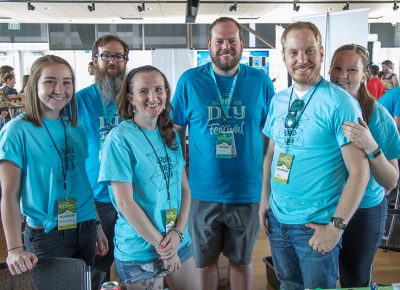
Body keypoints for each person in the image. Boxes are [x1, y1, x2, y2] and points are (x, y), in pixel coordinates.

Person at [259, 22, 370, 289]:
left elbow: (360, 171)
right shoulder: (278, 100)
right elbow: (272, 154)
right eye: (294, 52)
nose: (302, 60)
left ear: (321, 53)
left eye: (309, 51)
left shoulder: (340, 103)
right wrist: (264, 201)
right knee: (287, 284)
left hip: (315, 225)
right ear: (284, 56)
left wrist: (336, 226)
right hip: (278, 219)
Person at [172, 17, 275, 290]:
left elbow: (270, 137)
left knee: (241, 262)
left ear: (242, 44)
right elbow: (173, 132)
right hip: (201, 193)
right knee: (204, 263)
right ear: (209, 44)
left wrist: (264, 181)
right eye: (219, 41)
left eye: (232, 41)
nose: (226, 47)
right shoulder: (190, 81)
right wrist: (179, 178)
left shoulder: (260, 82)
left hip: (247, 192)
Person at [0, 55, 108, 278]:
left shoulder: (75, 127)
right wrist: (14, 248)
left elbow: (81, 180)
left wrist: (96, 224)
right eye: (50, 81)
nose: (59, 89)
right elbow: (9, 195)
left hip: (85, 226)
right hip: (47, 235)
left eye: (67, 82)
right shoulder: (16, 131)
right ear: (35, 85)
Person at [98, 65, 199, 290]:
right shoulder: (119, 139)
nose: (152, 97)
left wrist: (178, 232)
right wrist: (163, 247)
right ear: (130, 98)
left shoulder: (170, 133)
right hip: (140, 250)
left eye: (158, 89)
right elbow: (124, 203)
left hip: (177, 241)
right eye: (144, 91)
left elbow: (184, 189)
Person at [329, 44, 400, 287]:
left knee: (355, 280)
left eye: (351, 69)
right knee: (322, 278)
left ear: (365, 75)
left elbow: (390, 182)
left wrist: (371, 147)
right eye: (337, 67)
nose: (342, 75)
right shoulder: (322, 107)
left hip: (363, 212)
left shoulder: (378, 117)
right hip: (324, 208)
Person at [76, 34, 129, 286]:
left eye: (118, 56)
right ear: (94, 60)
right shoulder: (79, 101)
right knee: (99, 262)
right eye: (106, 55)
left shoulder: (133, 98)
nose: (112, 61)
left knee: (133, 258)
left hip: (132, 195)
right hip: (98, 198)